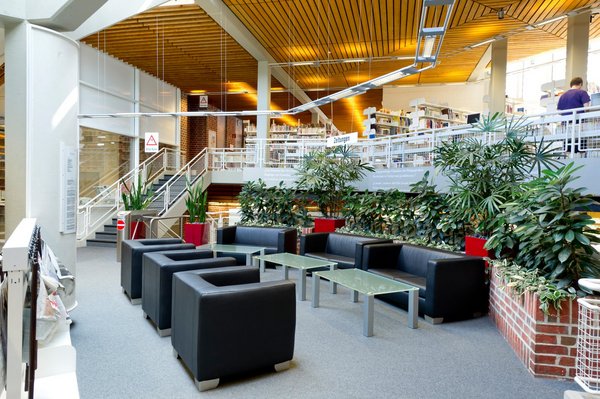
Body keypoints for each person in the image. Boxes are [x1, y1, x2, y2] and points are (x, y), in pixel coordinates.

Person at [558, 77, 591, 155]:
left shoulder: (563, 96)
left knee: (568, 143)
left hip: (566, 124)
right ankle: (582, 157)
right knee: (581, 144)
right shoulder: (582, 93)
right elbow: (586, 108)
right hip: (579, 122)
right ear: (580, 84)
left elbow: (559, 111)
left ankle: (567, 156)